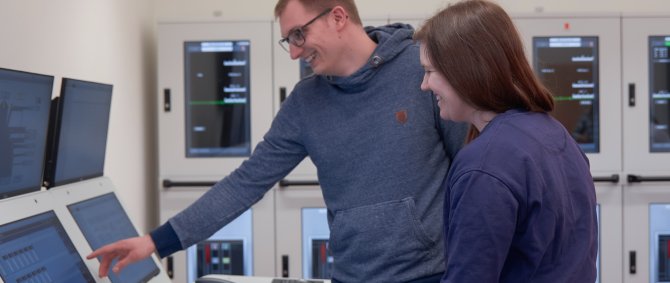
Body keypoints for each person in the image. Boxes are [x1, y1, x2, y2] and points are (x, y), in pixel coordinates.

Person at [88, 0, 467, 282]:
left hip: (431, 275)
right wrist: (155, 243)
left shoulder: (420, 69)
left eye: (299, 34)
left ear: (338, 17)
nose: (296, 52)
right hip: (352, 277)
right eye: (289, 41)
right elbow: (245, 183)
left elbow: (467, 172)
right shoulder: (305, 103)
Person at [413, 1, 598, 282]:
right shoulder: (555, 134)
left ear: (463, 70)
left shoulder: (485, 165)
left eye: (429, 71)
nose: (424, 85)